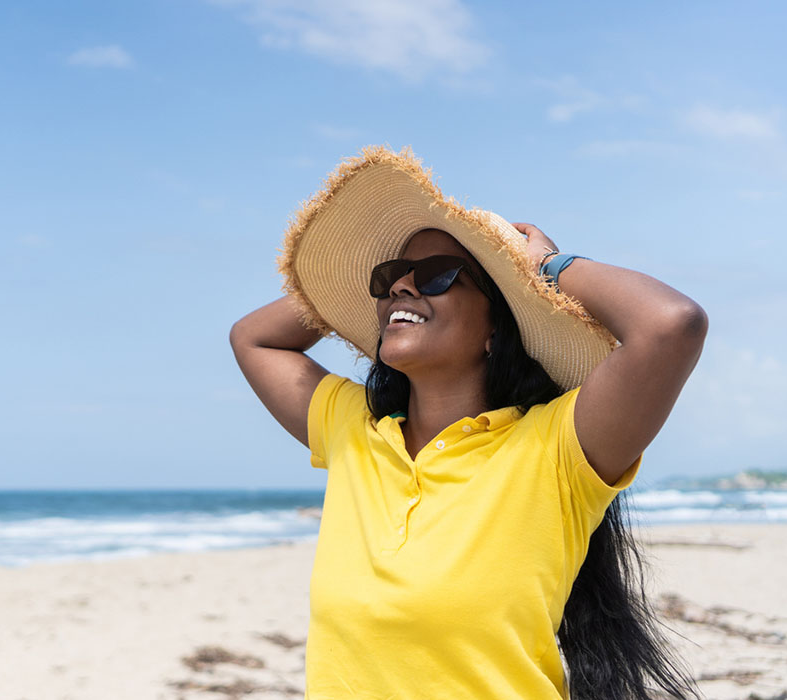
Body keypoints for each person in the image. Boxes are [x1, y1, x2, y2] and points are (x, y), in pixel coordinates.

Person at [229, 146, 707, 700]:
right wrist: (362, 280)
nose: (401, 288)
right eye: (389, 278)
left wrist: (540, 269)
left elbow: (671, 326)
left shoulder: (556, 449)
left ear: (496, 328)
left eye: (436, 276)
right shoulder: (354, 428)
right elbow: (252, 337)